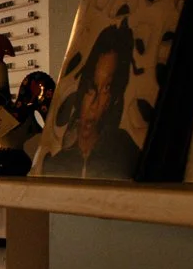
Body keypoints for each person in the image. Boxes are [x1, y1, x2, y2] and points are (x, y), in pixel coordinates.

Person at [42, 22, 141, 179]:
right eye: (91, 88)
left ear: (113, 99)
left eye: (106, 88)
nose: (94, 103)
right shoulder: (56, 164)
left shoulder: (125, 154)